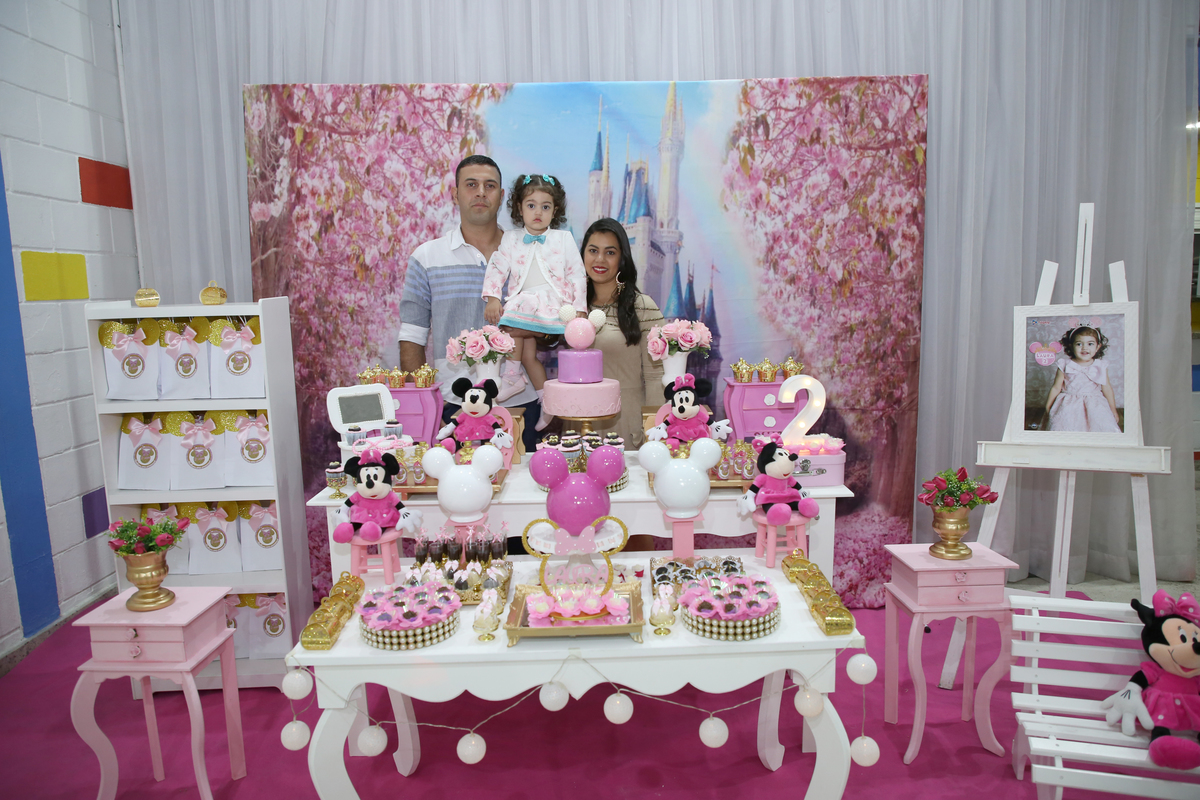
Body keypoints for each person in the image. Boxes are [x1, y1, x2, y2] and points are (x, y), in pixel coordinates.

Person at [398, 155, 541, 451]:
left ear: (501, 196)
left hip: (519, 403)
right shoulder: (426, 258)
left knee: (520, 480)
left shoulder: (529, 255)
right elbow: (412, 337)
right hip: (452, 405)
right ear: (455, 194)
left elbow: (548, 323)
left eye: (490, 186)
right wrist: (427, 408)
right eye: (471, 185)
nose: (480, 193)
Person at [482, 174, 587, 431]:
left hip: (552, 304)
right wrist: (493, 297)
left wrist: (580, 309)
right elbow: (498, 267)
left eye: (545, 206)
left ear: (555, 211)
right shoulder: (511, 238)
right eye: (531, 205)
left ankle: (511, 374)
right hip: (523, 302)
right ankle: (547, 402)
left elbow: (576, 274)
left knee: (512, 320)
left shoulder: (562, 238)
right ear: (519, 208)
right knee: (529, 356)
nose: (538, 212)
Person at [579, 218, 664, 448]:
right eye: (593, 250)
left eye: (610, 252)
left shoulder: (642, 306)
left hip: (625, 424)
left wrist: (655, 431)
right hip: (579, 421)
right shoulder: (573, 307)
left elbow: (656, 376)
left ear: (622, 258)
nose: (600, 259)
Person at [1045, 324, 1122, 432]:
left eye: (1090, 344)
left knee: (1099, 427)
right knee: (1065, 428)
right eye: (1079, 344)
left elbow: (1107, 388)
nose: (1085, 347)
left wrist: (1113, 409)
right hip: (1069, 405)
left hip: (1094, 404)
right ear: (1071, 346)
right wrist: (1048, 406)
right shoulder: (1065, 365)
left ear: (1098, 346)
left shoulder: (1100, 366)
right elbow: (1056, 388)